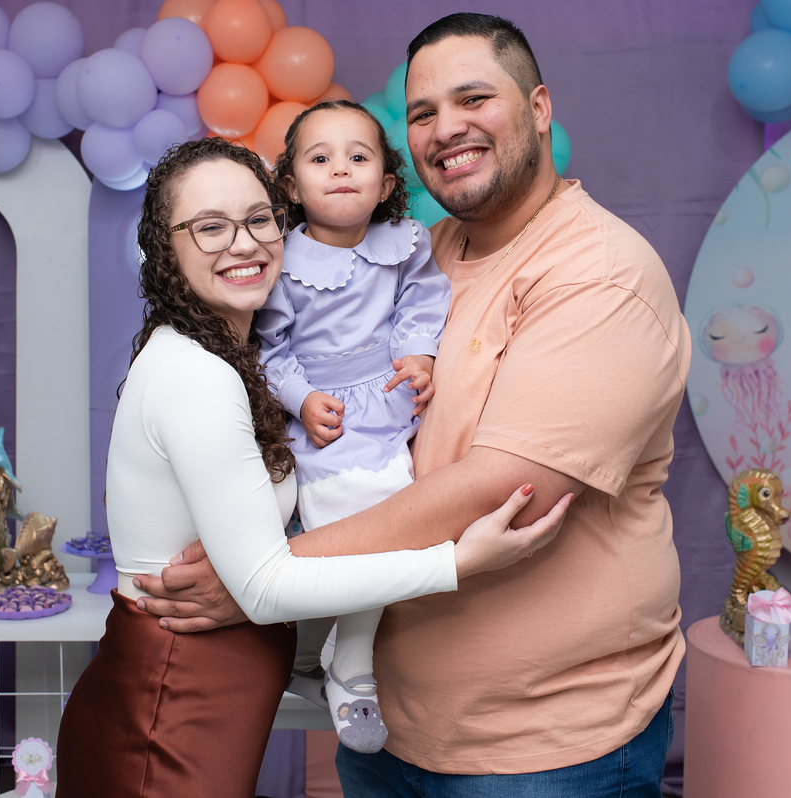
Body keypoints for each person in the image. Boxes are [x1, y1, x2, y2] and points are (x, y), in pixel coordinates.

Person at [138, 12, 692, 797]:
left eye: (474, 99)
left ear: (539, 109)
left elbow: (504, 488)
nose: (446, 128)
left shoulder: (599, 275)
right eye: (423, 112)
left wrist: (263, 579)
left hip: (540, 749)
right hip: (387, 728)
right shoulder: (419, 257)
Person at [55, 137, 572, 798]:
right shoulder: (195, 374)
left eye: (258, 219)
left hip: (203, 705)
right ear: (164, 247)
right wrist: (457, 562)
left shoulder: (230, 355)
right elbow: (264, 589)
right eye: (210, 227)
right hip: (168, 713)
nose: (243, 244)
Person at [257, 99, 451, 754]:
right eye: (321, 159)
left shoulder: (405, 244)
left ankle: (342, 662)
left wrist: (419, 355)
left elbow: (422, 302)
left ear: (386, 183)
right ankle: (337, 662)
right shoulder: (281, 261)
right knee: (342, 528)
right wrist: (301, 399)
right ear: (291, 186)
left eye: (358, 157)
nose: (341, 169)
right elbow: (268, 351)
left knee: (396, 523)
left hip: (387, 403)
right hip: (325, 418)